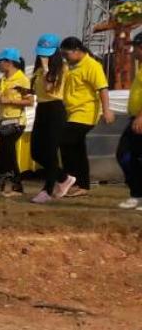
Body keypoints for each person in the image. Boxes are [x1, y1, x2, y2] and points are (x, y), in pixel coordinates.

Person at [39, 36, 110, 202]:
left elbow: (102, 88)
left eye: (66, 54)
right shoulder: (71, 66)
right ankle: (81, 185)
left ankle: (69, 179)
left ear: (77, 51)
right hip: (71, 112)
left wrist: (107, 110)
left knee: (64, 141)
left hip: (85, 113)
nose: (65, 57)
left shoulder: (92, 65)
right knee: (77, 148)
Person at [28, 34, 69, 200]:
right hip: (42, 109)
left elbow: (49, 88)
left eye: (47, 53)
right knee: (36, 151)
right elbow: (37, 90)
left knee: (50, 151)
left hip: (55, 109)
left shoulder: (61, 68)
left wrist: (46, 68)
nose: (43, 56)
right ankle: (63, 178)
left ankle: (47, 190)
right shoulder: (38, 70)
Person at [0, 48, 33, 196]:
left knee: (5, 151)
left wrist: (9, 100)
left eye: (0, 61)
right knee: (6, 153)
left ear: (9, 62)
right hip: (2, 121)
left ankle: (4, 184)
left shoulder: (22, 79)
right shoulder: (1, 80)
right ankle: (11, 185)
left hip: (16, 122)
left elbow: (30, 101)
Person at [122, 31, 142, 210]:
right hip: (135, 117)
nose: (133, 51)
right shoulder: (140, 67)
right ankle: (136, 193)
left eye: (135, 47)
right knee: (125, 155)